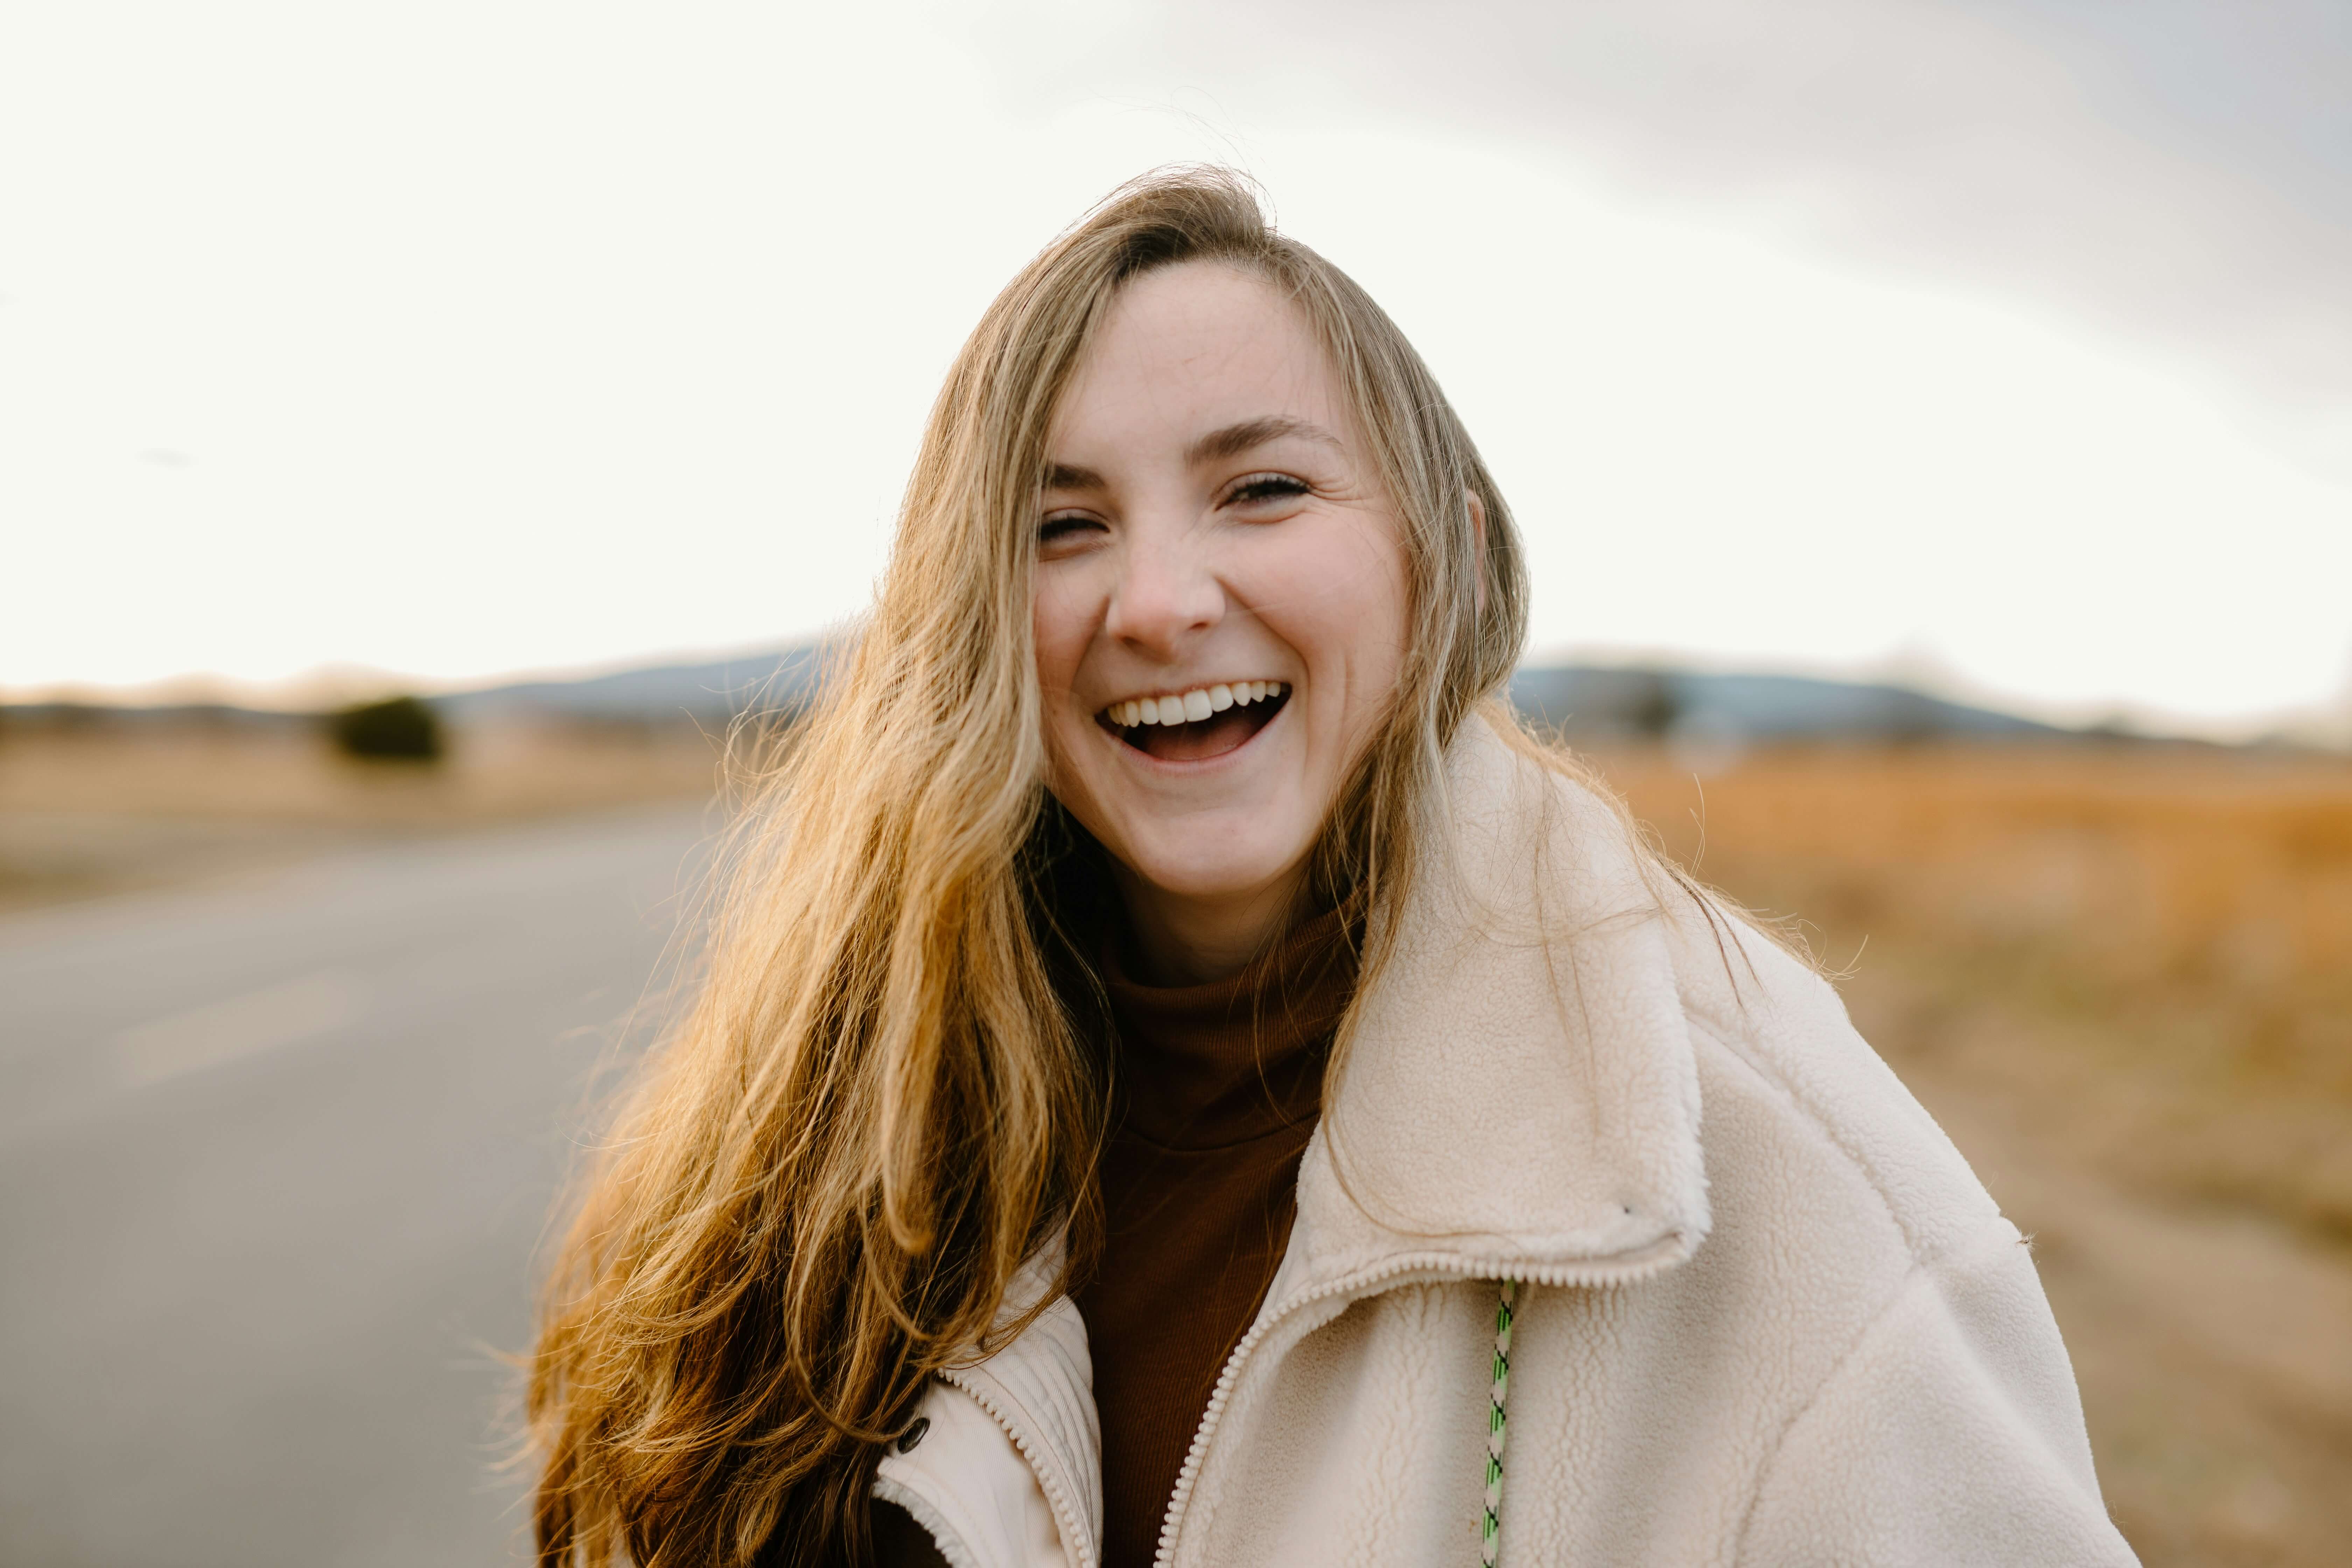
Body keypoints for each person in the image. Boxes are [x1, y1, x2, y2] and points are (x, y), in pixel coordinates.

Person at [525, 168, 2138, 1568]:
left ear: (1449, 561)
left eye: (1265, 490)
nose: (1159, 601)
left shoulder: (1777, 1180)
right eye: (1063, 525)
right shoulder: (838, 1112)